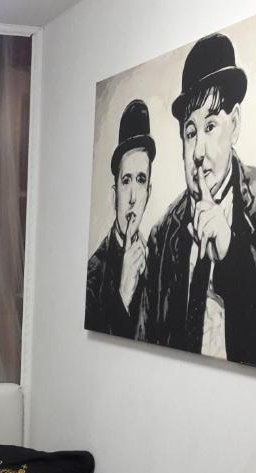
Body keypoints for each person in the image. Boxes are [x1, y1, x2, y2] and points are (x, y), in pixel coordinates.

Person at [140, 33, 256, 375]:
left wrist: (233, 253)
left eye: (210, 126)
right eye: (190, 133)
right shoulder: (163, 234)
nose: (198, 152)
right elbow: (147, 338)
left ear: (235, 124)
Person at [85, 99, 156, 339]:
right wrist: (123, 294)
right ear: (114, 195)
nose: (133, 197)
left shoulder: (156, 261)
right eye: (126, 181)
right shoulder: (94, 272)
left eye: (141, 180)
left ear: (149, 193)